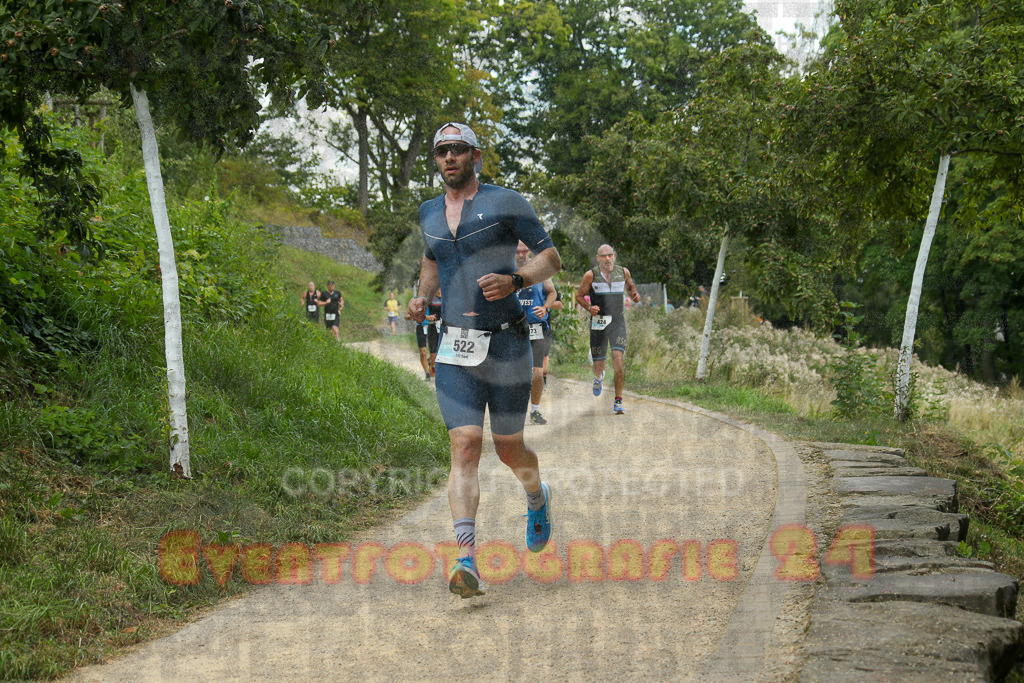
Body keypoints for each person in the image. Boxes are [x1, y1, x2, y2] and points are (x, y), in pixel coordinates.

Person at [407, 122, 560, 599]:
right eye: (440, 152)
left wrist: (517, 281)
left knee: (509, 448)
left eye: (457, 150)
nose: (448, 157)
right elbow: (432, 261)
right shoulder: (429, 212)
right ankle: (466, 558)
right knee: (466, 445)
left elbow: (551, 259)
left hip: (508, 343)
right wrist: (419, 297)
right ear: (435, 161)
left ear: (476, 156)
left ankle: (536, 497)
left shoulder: (507, 202)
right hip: (455, 347)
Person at [575, 244, 641, 415]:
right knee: (599, 365)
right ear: (598, 258)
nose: (607, 259)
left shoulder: (623, 272)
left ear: (614, 256)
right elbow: (579, 296)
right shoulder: (590, 275)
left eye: (610, 255)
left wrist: (634, 294)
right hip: (599, 323)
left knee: (618, 360)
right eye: (603, 256)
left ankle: (618, 402)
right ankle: (598, 378)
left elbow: (631, 286)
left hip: (618, 321)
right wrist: (589, 308)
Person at [515, 242, 557, 425]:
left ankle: (535, 411)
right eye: (517, 251)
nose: (521, 254)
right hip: (514, 328)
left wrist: (545, 307)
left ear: (529, 251)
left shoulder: (540, 269)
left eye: (524, 250)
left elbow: (552, 292)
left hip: (536, 327)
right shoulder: (506, 269)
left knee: (537, 373)